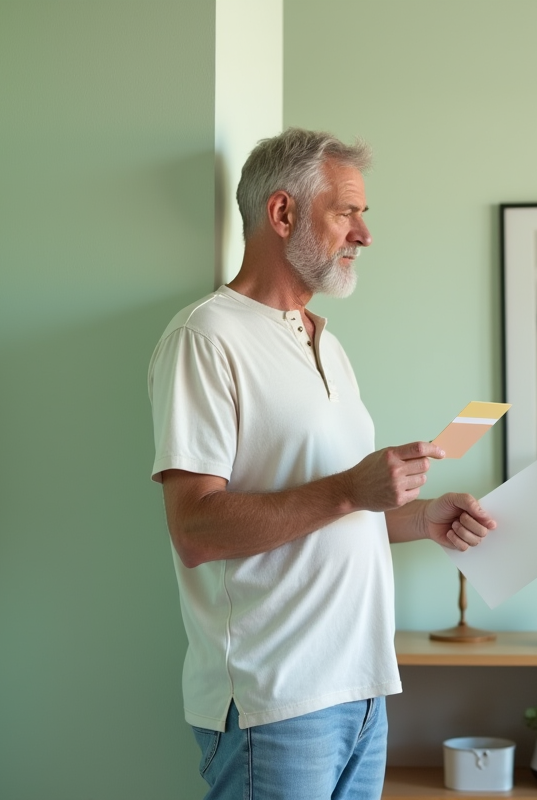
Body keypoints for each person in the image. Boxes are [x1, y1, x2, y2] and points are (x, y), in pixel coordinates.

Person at [148, 128, 496, 800]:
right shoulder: (206, 337)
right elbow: (194, 530)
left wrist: (422, 517)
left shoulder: (326, 345)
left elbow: (337, 508)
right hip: (273, 704)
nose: (364, 234)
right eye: (347, 212)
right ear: (282, 215)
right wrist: (348, 490)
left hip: (364, 691)